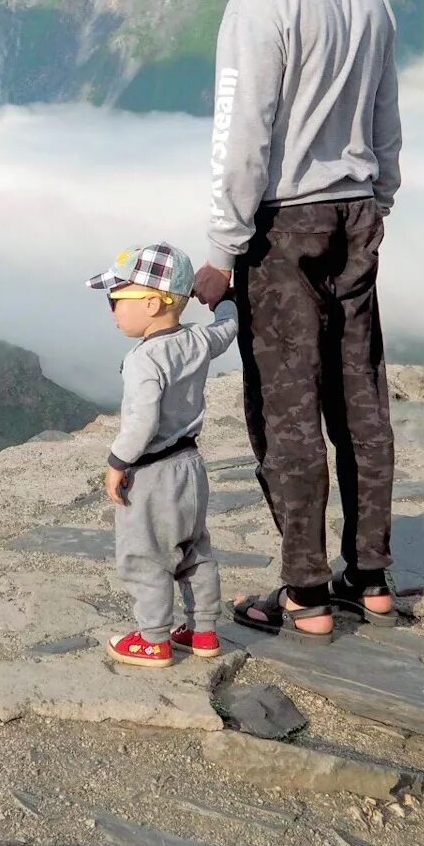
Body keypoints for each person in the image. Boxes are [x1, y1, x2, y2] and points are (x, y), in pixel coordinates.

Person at [189, 0, 403, 645]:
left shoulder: (258, 3)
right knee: (361, 397)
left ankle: (305, 594)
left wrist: (222, 248)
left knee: (287, 408)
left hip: (284, 225)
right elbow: (386, 114)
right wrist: (379, 196)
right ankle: (372, 577)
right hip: (356, 213)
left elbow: (242, 135)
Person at [85, 242, 239, 667]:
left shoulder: (143, 359)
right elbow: (227, 327)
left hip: (151, 473)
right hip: (190, 467)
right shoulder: (197, 340)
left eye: (116, 299)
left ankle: (154, 639)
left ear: (152, 302)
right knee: (194, 550)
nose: (112, 309)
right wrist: (226, 299)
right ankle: (204, 631)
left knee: (146, 555)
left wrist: (117, 462)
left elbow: (141, 422)